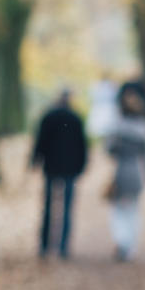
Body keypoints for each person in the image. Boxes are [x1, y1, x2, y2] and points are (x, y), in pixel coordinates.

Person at [30, 89, 88, 258]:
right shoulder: (75, 118)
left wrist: (35, 160)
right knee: (67, 207)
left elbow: (40, 140)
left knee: (48, 206)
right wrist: (81, 165)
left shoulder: (49, 117)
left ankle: (44, 245)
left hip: (51, 167)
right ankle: (63, 246)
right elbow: (82, 145)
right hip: (70, 168)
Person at [104, 80, 145, 261]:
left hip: (121, 171)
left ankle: (122, 241)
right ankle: (130, 245)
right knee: (134, 209)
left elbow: (109, 150)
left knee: (119, 209)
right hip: (137, 173)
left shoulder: (117, 127)